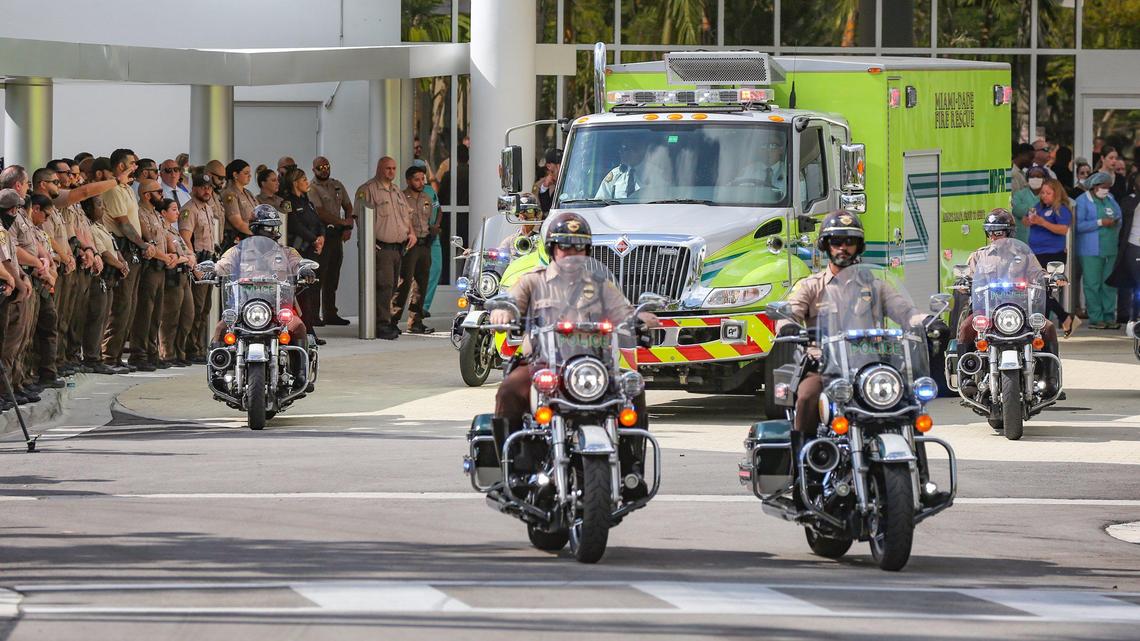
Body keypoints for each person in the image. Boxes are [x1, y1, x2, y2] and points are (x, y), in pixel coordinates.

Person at [490, 211, 659, 432]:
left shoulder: (600, 284)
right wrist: (502, 312)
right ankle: (510, 452)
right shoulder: (532, 281)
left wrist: (639, 318)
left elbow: (623, 312)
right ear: (552, 249)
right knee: (509, 390)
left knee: (633, 387)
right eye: (565, 247)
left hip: (594, 363)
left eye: (579, 247)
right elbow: (510, 303)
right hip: (541, 363)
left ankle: (632, 453)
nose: (572, 253)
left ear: (587, 251)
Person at [781, 211, 931, 436]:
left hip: (870, 364)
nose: (843, 248)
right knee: (807, 395)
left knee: (909, 397)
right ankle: (803, 452)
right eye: (836, 242)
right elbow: (789, 312)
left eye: (850, 242)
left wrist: (928, 322)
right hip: (825, 365)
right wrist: (788, 325)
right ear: (826, 245)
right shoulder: (811, 286)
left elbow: (905, 311)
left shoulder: (875, 286)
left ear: (859, 246)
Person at [955, 209, 1061, 395]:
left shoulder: (1024, 255)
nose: (993, 236)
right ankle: (966, 378)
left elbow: (1038, 274)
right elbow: (968, 277)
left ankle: (1050, 378)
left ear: (1009, 232)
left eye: (998, 232)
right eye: (990, 232)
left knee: (1048, 328)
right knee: (965, 328)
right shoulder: (979, 256)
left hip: (1021, 310)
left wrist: (1051, 278)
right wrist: (963, 283)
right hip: (986, 310)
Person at [210, 205, 312, 381]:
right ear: (256, 228)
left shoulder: (287, 252)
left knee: (299, 327)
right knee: (221, 328)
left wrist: (305, 270)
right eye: (268, 227)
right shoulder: (238, 251)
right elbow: (223, 265)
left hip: (279, 308)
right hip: (244, 308)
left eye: (275, 227)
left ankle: (300, 374)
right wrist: (212, 271)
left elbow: (298, 263)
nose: (273, 232)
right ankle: (217, 374)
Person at [101, 149, 156, 370]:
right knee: (121, 305)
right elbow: (123, 223)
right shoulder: (113, 189)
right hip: (121, 248)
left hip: (132, 250)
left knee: (130, 305)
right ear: (121, 166)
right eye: (132, 163)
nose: (136, 167)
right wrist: (143, 245)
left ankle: (115, 357)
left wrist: (146, 243)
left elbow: (135, 221)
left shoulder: (126, 189)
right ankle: (108, 355)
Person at [353, 156, 417, 340]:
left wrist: (411, 233)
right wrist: (367, 240)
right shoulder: (368, 189)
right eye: (388, 168)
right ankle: (381, 325)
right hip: (382, 247)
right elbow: (360, 216)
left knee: (393, 286)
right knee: (384, 285)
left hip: (399, 248)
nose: (391, 172)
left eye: (394, 168)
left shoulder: (396, 190)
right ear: (379, 168)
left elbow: (406, 215)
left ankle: (388, 322)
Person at [128, 180, 176, 371]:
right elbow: (148, 242)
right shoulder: (140, 213)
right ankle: (139, 354)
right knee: (144, 312)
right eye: (158, 191)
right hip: (149, 267)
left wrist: (173, 255)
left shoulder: (156, 213)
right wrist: (166, 257)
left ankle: (151, 352)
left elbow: (166, 238)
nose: (162, 195)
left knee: (156, 313)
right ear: (147, 195)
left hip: (161, 267)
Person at [1025, 178, 1078, 336]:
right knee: (1039, 291)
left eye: (1048, 193)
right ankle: (1054, 321)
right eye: (1042, 193)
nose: (1044, 196)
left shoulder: (1061, 209)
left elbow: (1062, 229)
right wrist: (1029, 220)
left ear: (1056, 193)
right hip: (1036, 253)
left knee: (1043, 290)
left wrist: (1042, 222)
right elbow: (1026, 221)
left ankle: (1060, 318)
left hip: (1052, 254)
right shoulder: (1038, 207)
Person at [179, 173, 221, 363]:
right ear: (194, 188)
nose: (207, 190)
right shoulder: (189, 209)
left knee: (205, 308)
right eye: (203, 187)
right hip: (198, 261)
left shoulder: (208, 208)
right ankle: (190, 349)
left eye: (209, 187)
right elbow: (185, 238)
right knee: (195, 308)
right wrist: (194, 264)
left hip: (209, 262)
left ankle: (199, 347)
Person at [308, 156, 354, 326]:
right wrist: (342, 222)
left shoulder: (337, 185)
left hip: (336, 235)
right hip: (322, 234)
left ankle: (330, 313)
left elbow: (348, 206)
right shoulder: (312, 188)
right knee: (319, 275)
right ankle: (313, 314)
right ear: (314, 170)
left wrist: (348, 226)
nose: (324, 170)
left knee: (333, 275)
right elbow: (320, 212)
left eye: (326, 166)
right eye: (320, 167)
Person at [280, 167, 325, 345]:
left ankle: (311, 329)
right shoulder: (288, 202)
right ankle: (304, 331)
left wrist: (321, 238)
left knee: (312, 291)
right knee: (301, 294)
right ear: (294, 182)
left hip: (312, 251)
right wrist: (314, 239)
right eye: (304, 179)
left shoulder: (307, 202)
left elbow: (318, 222)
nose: (307, 182)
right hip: (299, 252)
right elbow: (294, 225)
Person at [1075, 172, 1122, 329]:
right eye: (1103, 187)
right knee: (1092, 284)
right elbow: (1078, 226)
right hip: (1090, 250)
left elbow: (1119, 217)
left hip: (1110, 248)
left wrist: (1115, 222)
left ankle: (1109, 317)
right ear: (1094, 186)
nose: (1106, 190)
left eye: (1108, 187)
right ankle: (1096, 318)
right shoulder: (1082, 201)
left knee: (1109, 284)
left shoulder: (1110, 199)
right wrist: (1100, 222)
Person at [392, 165, 434, 334]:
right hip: (409, 245)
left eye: (423, 179)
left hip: (425, 244)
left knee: (421, 283)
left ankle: (415, 321)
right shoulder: (402, 197)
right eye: (417, 179)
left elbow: (430, 217)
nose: (421, 182)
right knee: (404, 282)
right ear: (409, 181)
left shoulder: (426, 197)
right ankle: (392, 319)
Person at [156, 198, 194, 368]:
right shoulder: (163, 231)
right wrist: (184, 258)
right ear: (163, 213)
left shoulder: (175, 232)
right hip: (172, 276)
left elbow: (188, 253)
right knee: (170, 317)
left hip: (184, 275)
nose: (177, 212)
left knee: (187, 315)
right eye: (173, 209)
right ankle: (167, 353)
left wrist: (186, 258)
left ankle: (180, 352)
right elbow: (172, 257)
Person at [1108, 172, 1140, 330]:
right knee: (1133, 283)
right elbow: (1125, 214)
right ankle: (1130, 317)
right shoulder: (1129, 201)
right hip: (1132, 245)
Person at [417, 159, 444, 317]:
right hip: (419, 237)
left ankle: (425, 305)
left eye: (423, 171)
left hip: (433, 237)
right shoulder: (408, 194)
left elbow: (439, 210)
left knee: (436, 268)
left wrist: (436, 226)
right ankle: (416, 307)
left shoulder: (430, 190)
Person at [220, 159, 257, 249]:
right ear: (235, 175)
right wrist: (258, 233)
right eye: (246, 173)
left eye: (249, 173)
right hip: (237, 241)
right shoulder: (229, 194)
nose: (250, 176)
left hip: (251, 240)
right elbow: (238, 223)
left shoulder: (248, 193)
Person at [1012, 166, 1047, 243]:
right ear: (1027, 179)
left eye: (1038, 176)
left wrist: (1028, 209)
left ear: (1044, 179)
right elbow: (1016, 210)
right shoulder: (1019, 194)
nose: (1035, 179)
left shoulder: (1047, 194)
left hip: (1042, 239)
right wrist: (1036, 210)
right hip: (1022, 238)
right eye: (1032, 177)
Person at [534, 148, 563, 213]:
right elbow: (545, 212)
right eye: (559, 164)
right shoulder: (540, 186)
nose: (563, 167)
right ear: (548, 166)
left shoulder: (570, 183)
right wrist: (544, 187)